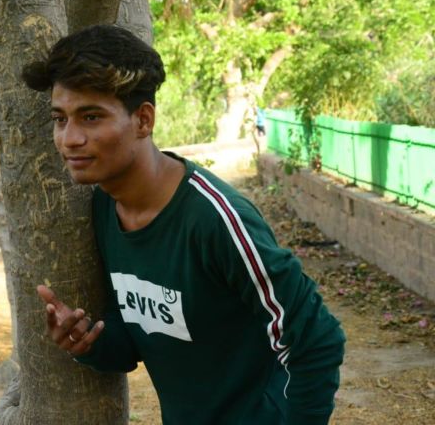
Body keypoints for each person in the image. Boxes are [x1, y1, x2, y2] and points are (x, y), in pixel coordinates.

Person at [23, 25, 345, 425]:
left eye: (91, 117)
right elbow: (139, 341)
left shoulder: (217, 219)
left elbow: (317, 339)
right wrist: (88, 343)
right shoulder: (105, 208)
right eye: (60, 119)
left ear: (143, 120)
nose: (70, 138)